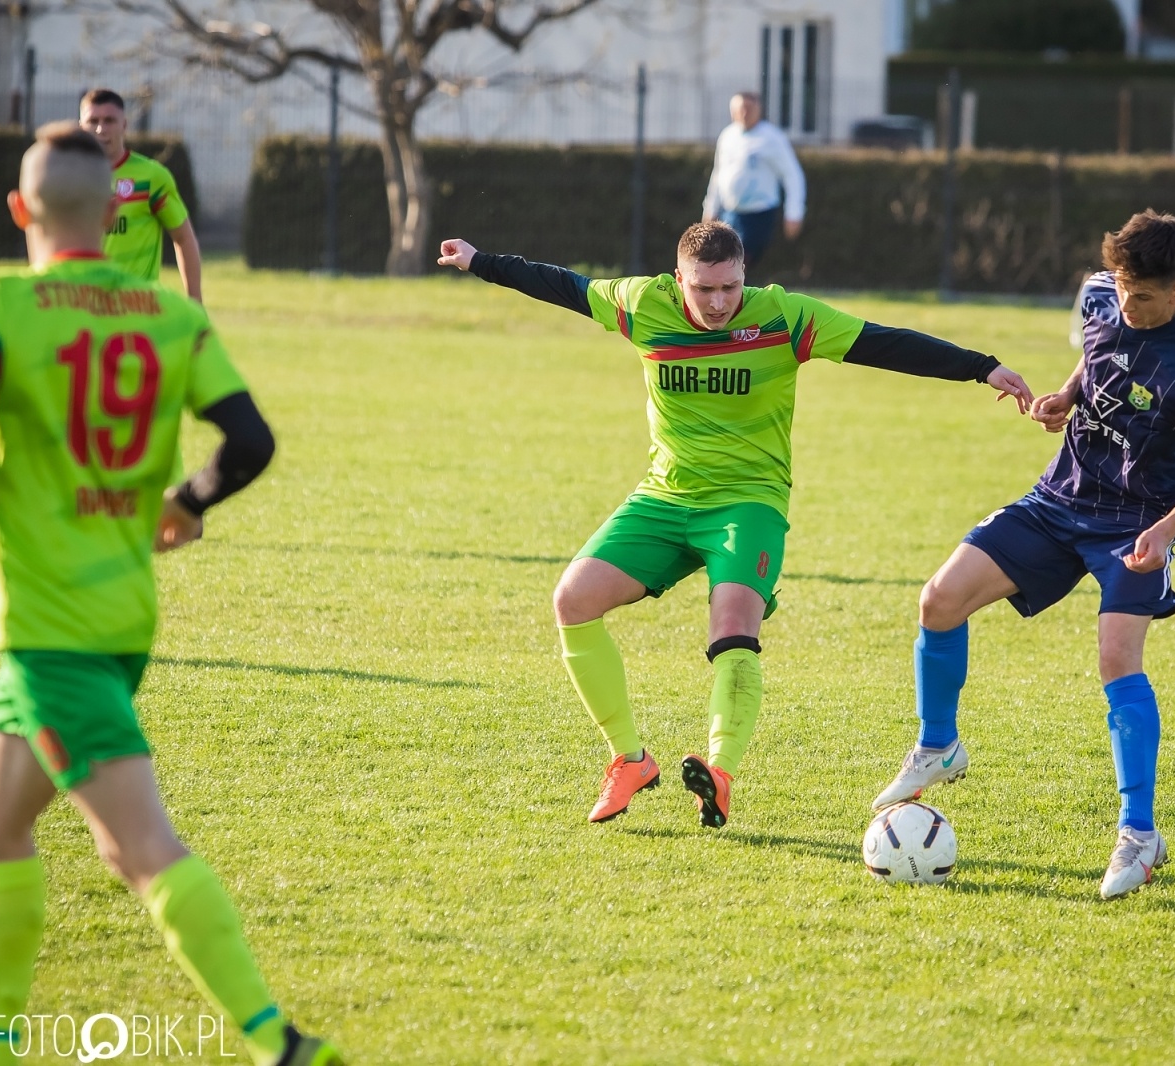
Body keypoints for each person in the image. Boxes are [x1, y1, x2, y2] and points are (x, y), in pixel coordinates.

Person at [438, 220, 1033, 830]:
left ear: (744, 275)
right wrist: (481, 261)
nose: (719, 302)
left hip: (748, 503)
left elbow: (882, 343)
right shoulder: (643, 304)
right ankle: (630, 759)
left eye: (729, 287)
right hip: (665, 498)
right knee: (572, 600)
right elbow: (563, 285)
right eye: (704, 289)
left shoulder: (784, 318)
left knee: (732, 626)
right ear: (678, 282)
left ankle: (718, 773)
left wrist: (978, 367)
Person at [0, 124, 341, 1066]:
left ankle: (281, 1044)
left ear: (20, 211)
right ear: (113, 210)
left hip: (54, 630)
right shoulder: (167, 318)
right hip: (118, 620)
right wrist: (183, 500)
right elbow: (250, 441)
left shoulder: (3, 309)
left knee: (136, 850)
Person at [871, 210, 1175, 901]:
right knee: (939, 600)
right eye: (1124, 290)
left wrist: (1166, 532)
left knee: (1115, 659)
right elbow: (1096, 350)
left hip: (1133, 525)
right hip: (1059, 497)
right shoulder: (1101, 294)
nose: (1128, 306)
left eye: (1145, 298)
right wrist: (1066, 396)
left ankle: (1138, 833)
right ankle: (938, 747)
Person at [78, 88, 204, 302]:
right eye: (93, 121)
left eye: (109, 120)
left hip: (138, 307)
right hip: (85, 305)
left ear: (124, 125)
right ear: (81, 126)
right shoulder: (67, 177)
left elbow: (183, 237)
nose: (101, 129)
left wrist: (195, 300)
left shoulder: (151, 177)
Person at [701, 93, 805, 271]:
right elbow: (718, 174)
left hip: (759, 213)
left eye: (749, 109)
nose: (744, 113)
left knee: (738, 261)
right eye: (739, 109)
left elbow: (792, 175)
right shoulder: (727, 136)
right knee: (725, 261)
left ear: (759, 110)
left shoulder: (772, 138)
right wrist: (710, 208)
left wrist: (794, 212)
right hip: (730, 213)